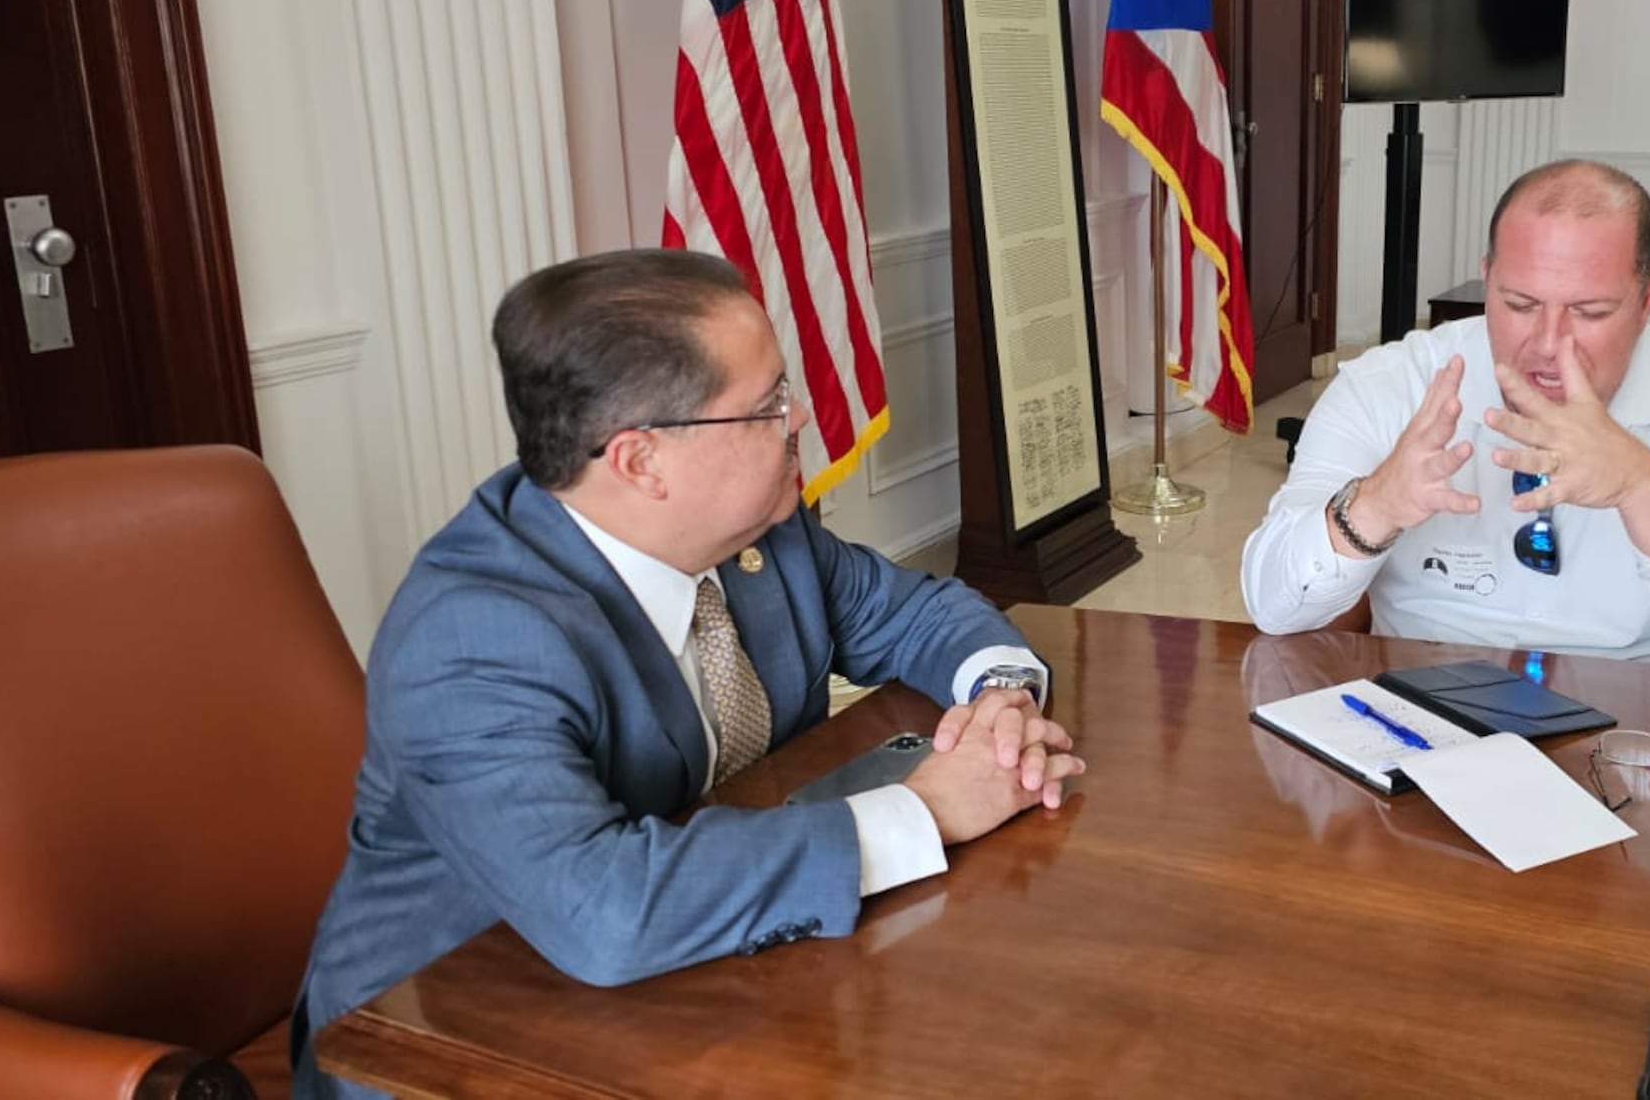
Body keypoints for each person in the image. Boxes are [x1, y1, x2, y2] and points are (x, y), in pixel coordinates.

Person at [291, 250, 1083, 1097]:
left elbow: (918, 614)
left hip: (699, 985)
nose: (802, 416)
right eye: (768, 402)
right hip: (450, 1037)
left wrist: (999, 697)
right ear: (641, 461)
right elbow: (604, 910)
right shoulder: (472, 639)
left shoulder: (760, 528)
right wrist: (921, 811)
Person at [1240, 160, 1650, 686]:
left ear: (1647, 297)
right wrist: (1374, 507)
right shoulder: (1391, 384)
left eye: (1590, 313)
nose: (1546, 345)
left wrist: (1645, 487)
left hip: (1644, 727)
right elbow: (1272, 604)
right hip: (1422, 708)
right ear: (1486, 278)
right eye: (1518, 304)